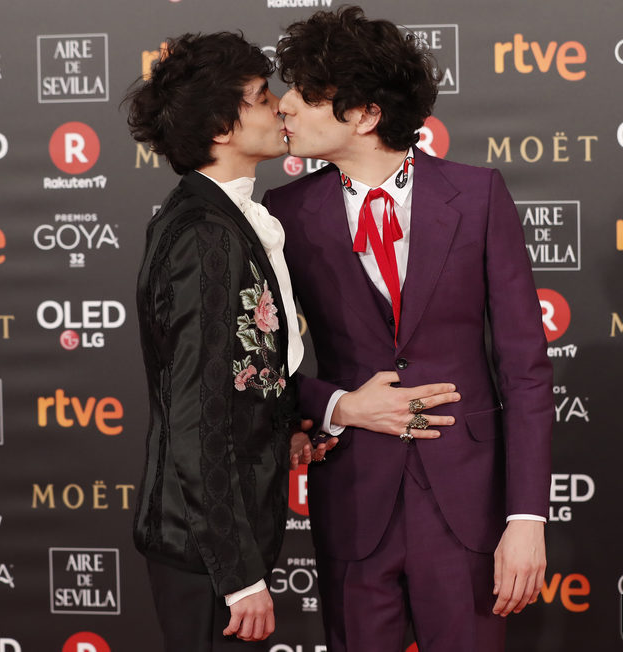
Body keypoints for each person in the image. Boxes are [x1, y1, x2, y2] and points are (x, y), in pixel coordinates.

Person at [262, 7, 554, 651]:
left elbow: (526, 371)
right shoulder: (282, 212)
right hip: (353, 503)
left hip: (468, 505)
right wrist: (341, 405)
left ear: (365, 115)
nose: (285, 106)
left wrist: (527, 517)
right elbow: (261, 369)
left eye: (308, 94)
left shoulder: (476, 196)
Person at [124, 32, 329, 651]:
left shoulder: (217, 217)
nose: (280, 108)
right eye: (262, 97)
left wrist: (288, 422)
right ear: (221, 126)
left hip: (217, 533)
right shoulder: (203, 235)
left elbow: (238, 365)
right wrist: (238, 577)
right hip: (205, 546)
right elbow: (195, 411)